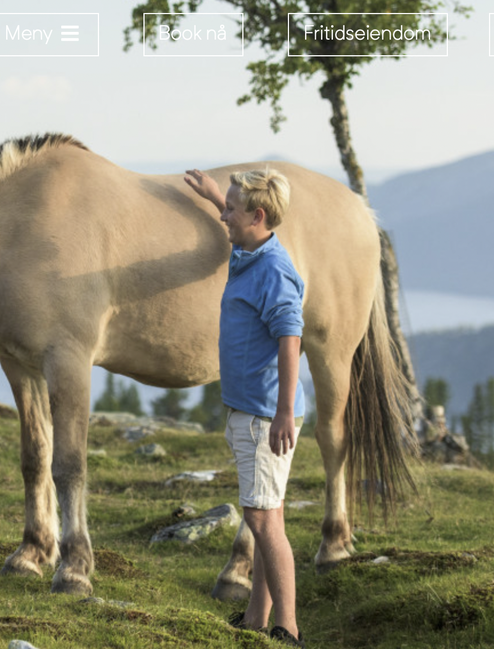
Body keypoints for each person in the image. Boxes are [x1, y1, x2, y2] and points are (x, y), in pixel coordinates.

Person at [184, 167, 307, 647]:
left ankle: (288, 628)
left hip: (263, 416)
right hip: (249, 410)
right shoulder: (250, 249)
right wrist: (215, 194)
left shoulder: (273, 269)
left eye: (232, 210)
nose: (224, 217)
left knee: (261, 519)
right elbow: (231, 217)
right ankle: (258, 616)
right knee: (263, 514)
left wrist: (280, 413)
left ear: (257, 216)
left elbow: (290, 338)